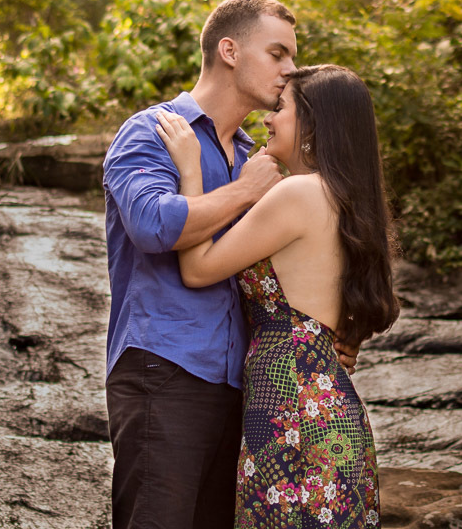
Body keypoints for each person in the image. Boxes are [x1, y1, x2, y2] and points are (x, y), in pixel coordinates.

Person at [103, 0, 357, 529]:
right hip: (165, 367)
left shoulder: (255, 157)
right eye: (278, 53)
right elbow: (152, 225)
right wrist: (242, 194)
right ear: (229, 51)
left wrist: (327, 333)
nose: (290, 71)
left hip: (245, 387)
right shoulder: (155, 131)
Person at [154, 64, 399, 527]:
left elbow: (197, 268)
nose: (267, 117)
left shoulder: (298, 194)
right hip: (318, 408)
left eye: (281, 108)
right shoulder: (343, 197)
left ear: (312, 124)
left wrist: (190, 170)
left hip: (295, 416)